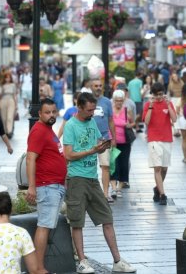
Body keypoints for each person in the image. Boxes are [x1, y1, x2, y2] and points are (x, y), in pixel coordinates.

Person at [63, 92, 136, 273]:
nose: (92, 113)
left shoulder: (92, 122)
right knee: (77, 222)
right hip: (76, 178)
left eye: (93, 110)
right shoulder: (71, 126)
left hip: (92, 178)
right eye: (88, 110)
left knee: (107, 218)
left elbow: (96, 142)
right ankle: (82, 261)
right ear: (79, 107)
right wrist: (92, 150)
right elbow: (68, 155)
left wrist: (104, 145)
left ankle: (117, 261)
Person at [25, 98, 66, 273]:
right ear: (39, 114)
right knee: (44, 226)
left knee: (47, 226)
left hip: (54, 185)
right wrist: (32, 186)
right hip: (47, 186)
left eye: (53, 112)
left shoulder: (48, 129)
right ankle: (38, 268)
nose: (51, 115)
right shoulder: (39, 131)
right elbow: (30, 158)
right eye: (47, 112)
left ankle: (39, 267)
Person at [142, 83, 177, 205]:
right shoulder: (148, 105)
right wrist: (151, 107)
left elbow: (174, 119)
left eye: (161, 94)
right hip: (154, 139)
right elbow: (146, 121)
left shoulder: (168, 103)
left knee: (164, 168)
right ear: (153, 95)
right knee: (157, 167)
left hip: (167, 138)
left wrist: (168, 105)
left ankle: (157, 188)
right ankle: (163, 195)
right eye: (156, 95)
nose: (159, 97)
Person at [91, 78, 117, 203]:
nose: (98, 88)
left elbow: (111, 121)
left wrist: (114, 138)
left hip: (104, 138)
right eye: (96, 85)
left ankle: (105, 194)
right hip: (89, 139)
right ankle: (91, 194)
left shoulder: (107, 102)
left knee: (105, 166)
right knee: (89, 167)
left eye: (100, 85)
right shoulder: (86, 101)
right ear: (91, 87)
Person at [110, 90, 135, 198]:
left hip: (125, 142)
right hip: (113, 142)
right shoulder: (110, 111)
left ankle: (119, 188)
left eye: (121, 101)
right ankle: (114, 188)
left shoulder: (126, 111)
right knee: (113, 165)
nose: (119, 103)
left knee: (124, 164)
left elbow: (133, 122)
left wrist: (130, 125)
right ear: (113, 101)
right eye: (117, 101)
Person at [0, 72, 18, 139]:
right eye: (6, 77)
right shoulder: (1, 85)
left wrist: (16, 105)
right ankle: (5, 132)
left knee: (10, 117)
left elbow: (15, 95)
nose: (7, 79)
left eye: (9, 77)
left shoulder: (13, 85)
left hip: (11, 100)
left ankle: (9, 131)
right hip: (3, 100)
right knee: (3, 118)